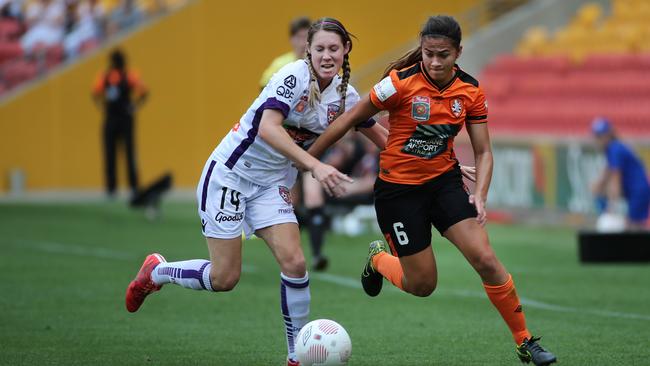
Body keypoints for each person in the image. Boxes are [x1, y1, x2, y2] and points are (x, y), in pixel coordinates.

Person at [124, 18, 387, 366]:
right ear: (308, 49)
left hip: (271, 184)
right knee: (224, 278)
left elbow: (384, 138)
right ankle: (157, 271)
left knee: (295, 263)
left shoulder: (345, 96)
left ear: (345, 51)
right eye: (320, 48)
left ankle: (296, 356)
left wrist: (441, 165)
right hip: (230, 176)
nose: (327, 55)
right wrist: (313, 165)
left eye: (334, 49)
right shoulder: (293, 77)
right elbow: (267, 129)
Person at [307, 15, 557, 366]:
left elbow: (484, 151)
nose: (436, 62)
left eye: (444, 55)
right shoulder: (398, 84)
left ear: (458, 52)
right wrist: (306, 160)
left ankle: (524, 340)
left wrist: (480, 195)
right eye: (429, 54)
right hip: (398, 193)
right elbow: (349, 119)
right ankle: (379, 260)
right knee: (422, 285)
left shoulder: (470, 91)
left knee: (485, 258)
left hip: (444, 185)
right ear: (421, 50)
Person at [301, 131, 378, 270]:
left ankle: (317, 253)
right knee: (312, 188)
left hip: (355, 192)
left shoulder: (365, 149)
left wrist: (350, 186)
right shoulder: (331, 148)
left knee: (313, 190)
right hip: (333, 187)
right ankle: (317, 254)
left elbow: (373, 179)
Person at [92, 48, 148, 199]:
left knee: (115, 154)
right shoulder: (126, 76)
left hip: (115, 119)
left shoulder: (109, 76)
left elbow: (95, 94)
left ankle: (115, 188)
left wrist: (103, 106)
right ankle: (129, 187)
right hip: (122, 118)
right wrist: (134, 106)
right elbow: (144, 92)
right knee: (124, 153)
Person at [591, 117, 650, 230]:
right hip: (635, 191)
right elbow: (605, 175)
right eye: (597, 136)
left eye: (600, 136)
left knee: (634, 227)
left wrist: (613, 205)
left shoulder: (614, 149)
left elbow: (615, 179)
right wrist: (598, 187)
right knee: (633, 227)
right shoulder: (614, 148)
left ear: (608, 135)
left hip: (638, 191)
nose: (598, 140)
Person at [259, 16, 311, 90]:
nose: (302, 43)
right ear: (291, 39)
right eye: (299, 37)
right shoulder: (279, 64)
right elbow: (264, 86)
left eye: (306, 37)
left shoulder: (317, 63)